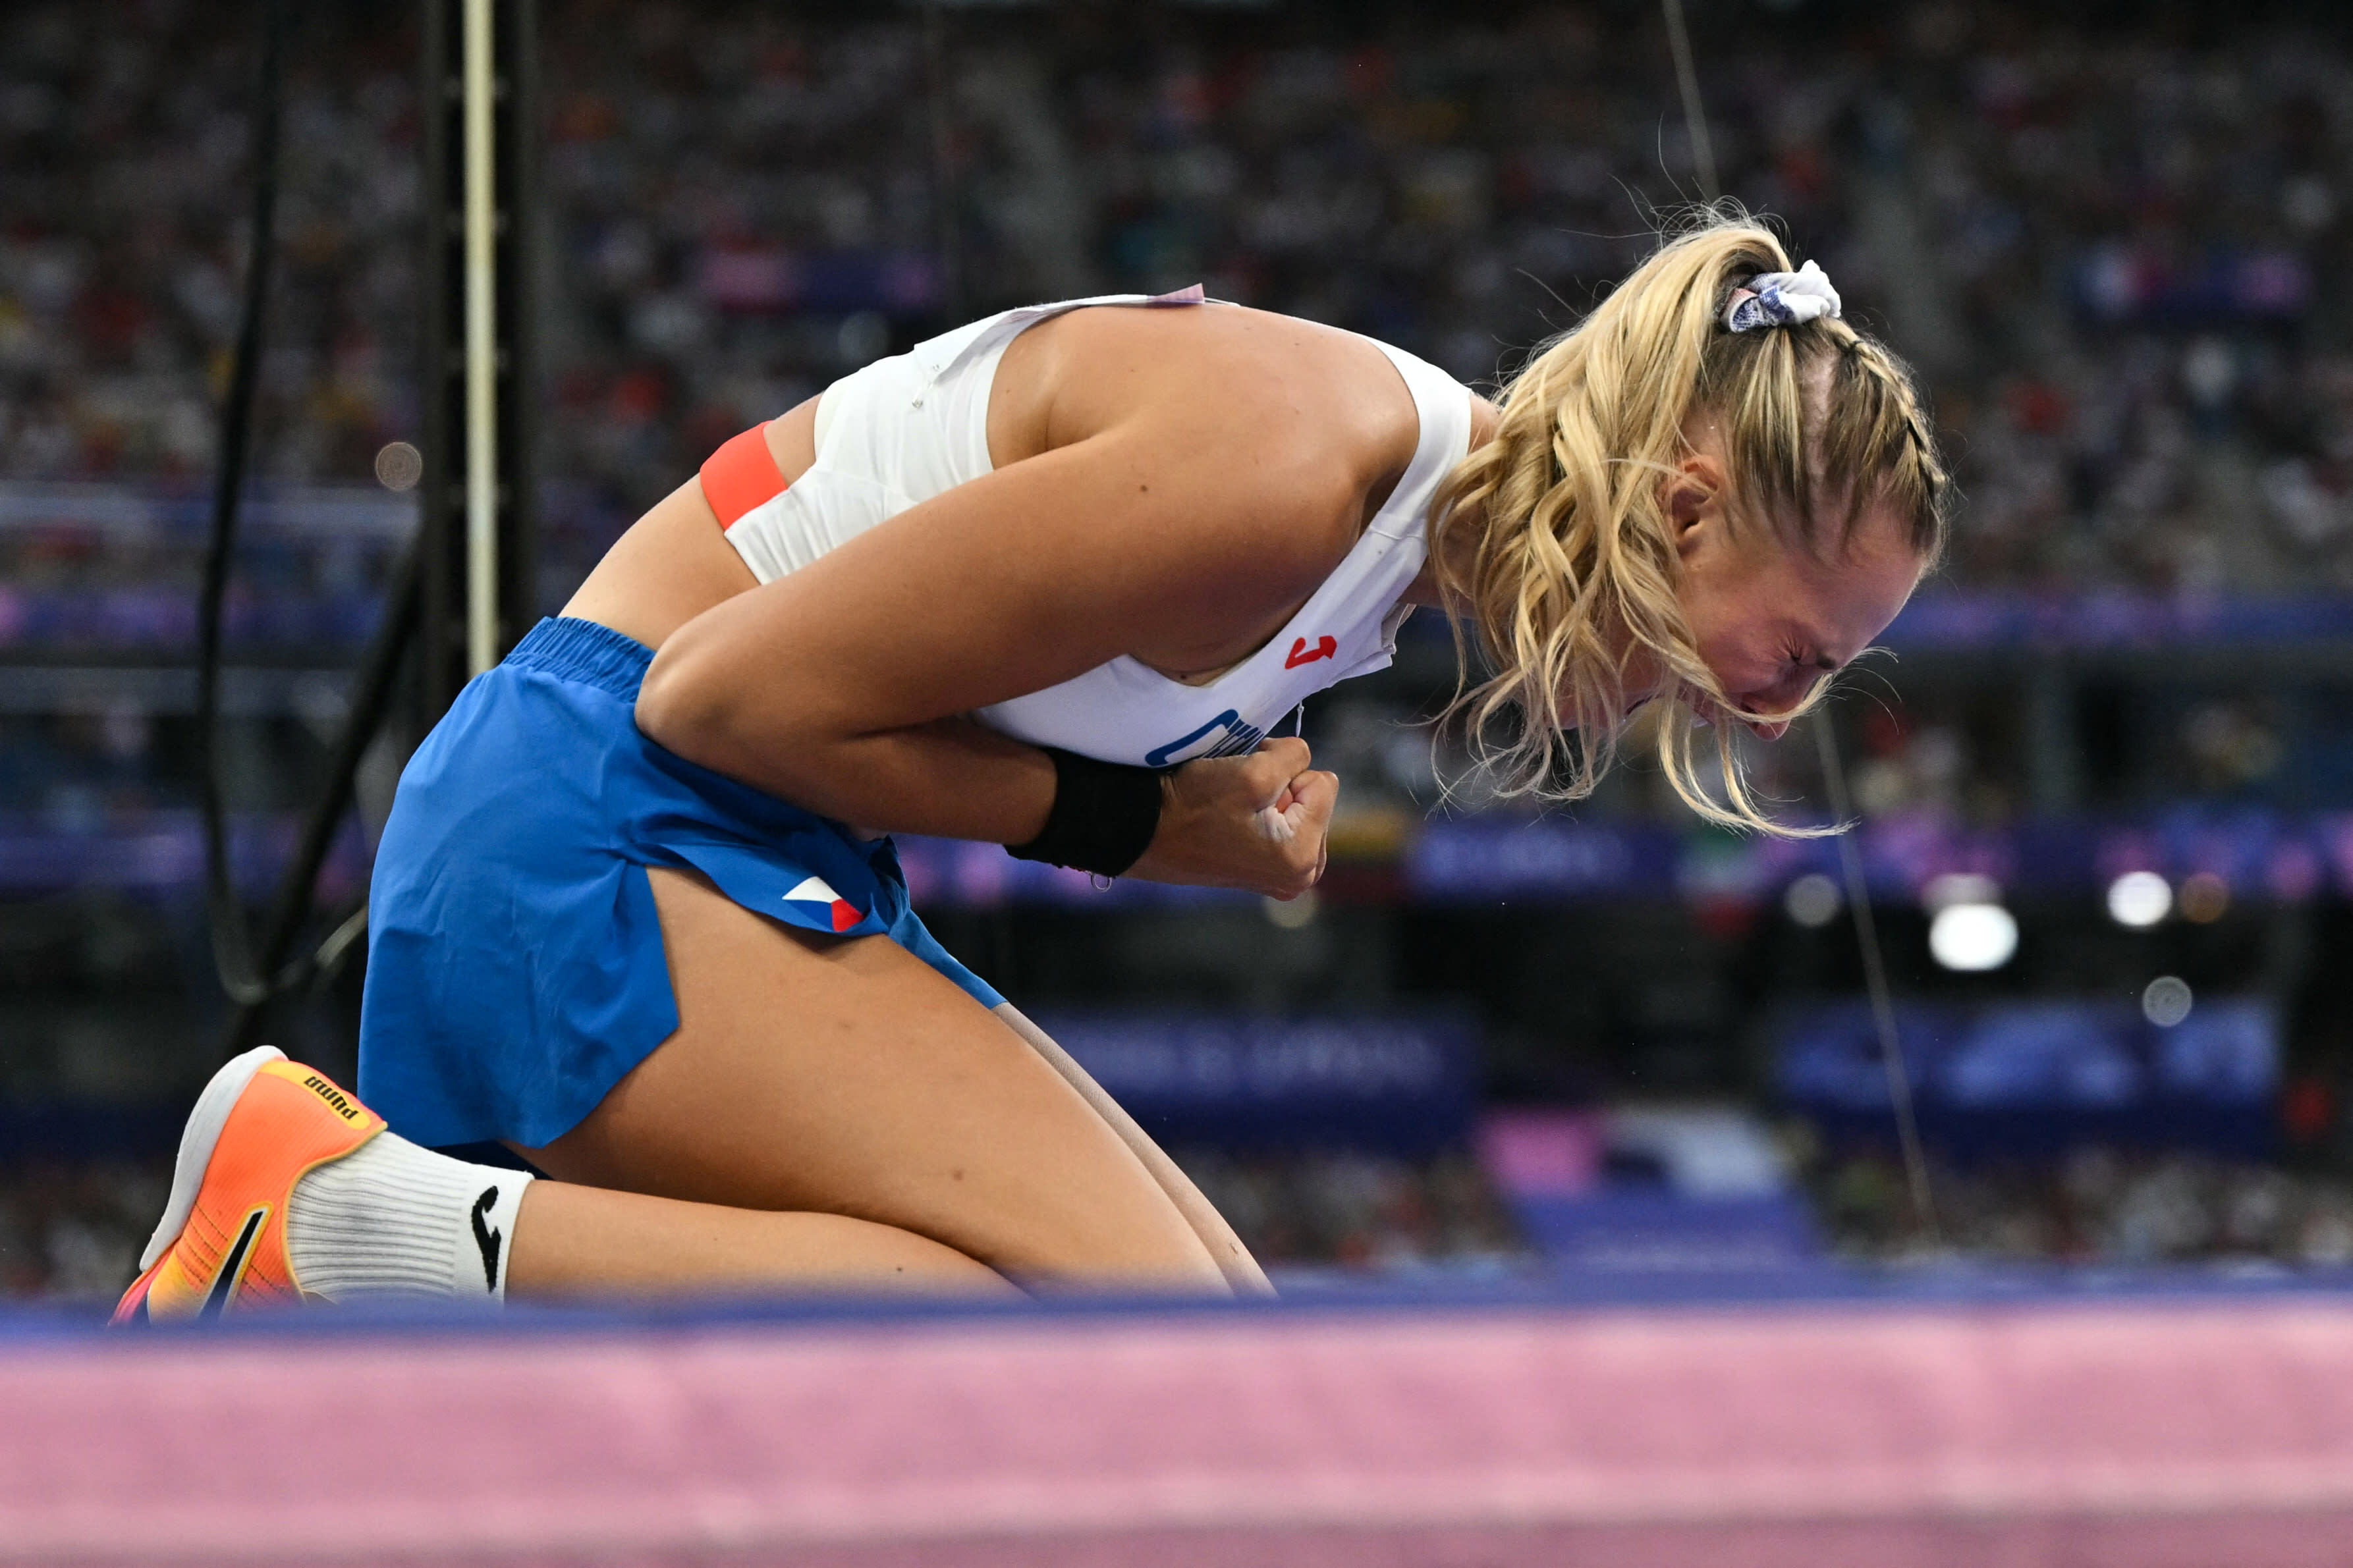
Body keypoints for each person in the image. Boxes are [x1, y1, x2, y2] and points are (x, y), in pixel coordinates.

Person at [115, 215, 1945, 1320]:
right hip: (592, 827)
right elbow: (717, 697)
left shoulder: (1380, 557)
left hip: (679, 841)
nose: (1774, 712)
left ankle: (411, 1259)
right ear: (1684, 507)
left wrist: (1173, 813)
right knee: (1143, 1359)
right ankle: (347, 1227)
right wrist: (1146, 828)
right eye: (1796, 654)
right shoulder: (1299, 470)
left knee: (1222, 1360)